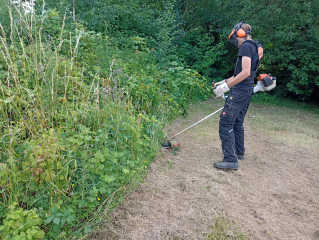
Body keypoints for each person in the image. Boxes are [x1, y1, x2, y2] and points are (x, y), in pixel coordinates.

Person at [213, 22, 263, 170]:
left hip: (240, 92)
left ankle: (230, 160)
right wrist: (224, 82)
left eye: (235, 37)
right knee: (237, 123)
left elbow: (246, 72)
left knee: (226, 122)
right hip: (246, 89)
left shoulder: (246, 46)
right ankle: (239, 153)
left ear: (240, 34)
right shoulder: (255, 46)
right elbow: (240, 74)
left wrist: (227, 87)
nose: (235, 41)